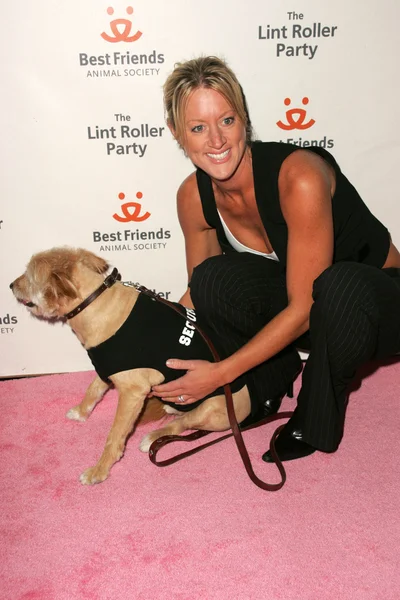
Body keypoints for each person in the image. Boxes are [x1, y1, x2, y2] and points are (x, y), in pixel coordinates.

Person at [151, 55, 400, 462]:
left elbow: (305, 308)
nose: (216, 141)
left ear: (244, 119)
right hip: (314, 312)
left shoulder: (298, 176)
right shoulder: (193, 198)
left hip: (380, 306)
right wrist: (148, 347)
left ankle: (314, 417)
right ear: (178, 133)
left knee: (338, 284)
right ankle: (265, 385)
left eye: (226, 121)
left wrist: (221, 372)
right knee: (212, 279)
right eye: (198, 128)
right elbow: (201, 297)